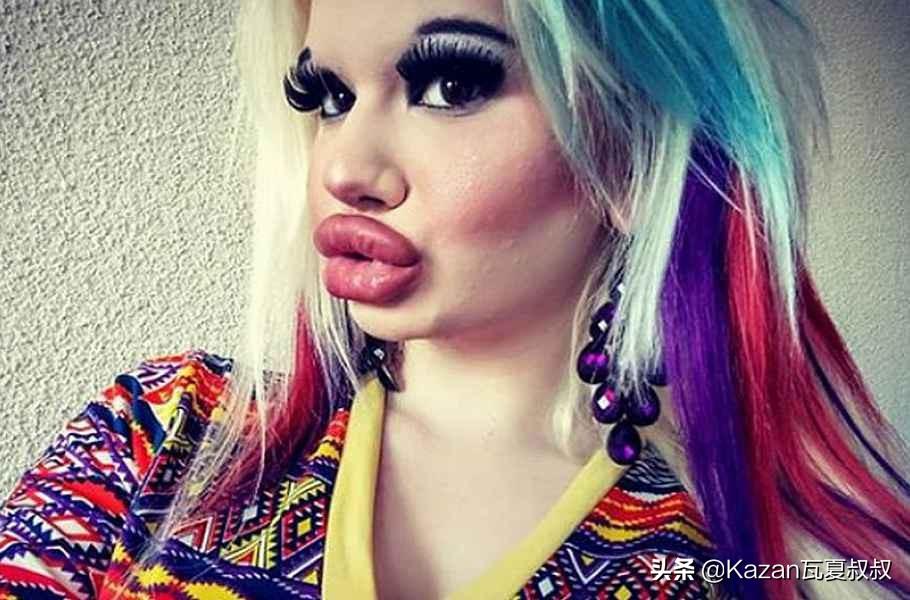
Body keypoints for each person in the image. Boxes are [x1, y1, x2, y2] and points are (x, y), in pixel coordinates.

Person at [0, 0, 907, 598]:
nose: (345, 168)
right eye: (329, 97)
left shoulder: (732, 563)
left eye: (449, 84)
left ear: (632, 152)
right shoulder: (165, 434)